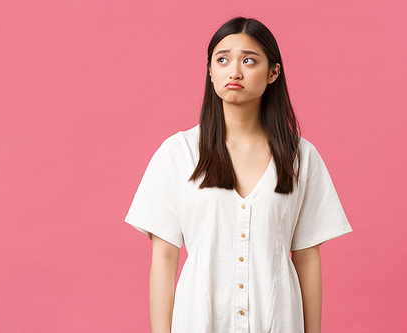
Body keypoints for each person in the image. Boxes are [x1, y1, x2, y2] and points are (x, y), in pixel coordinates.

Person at [125, 16, 352, 333]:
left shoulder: (301, 157)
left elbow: (307, 258)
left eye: (248, 60)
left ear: (273, 72)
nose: (234, 71)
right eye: (222, 59)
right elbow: (163, 259)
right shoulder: (178, 153)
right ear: (210, 70)